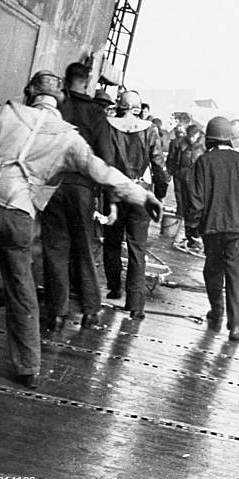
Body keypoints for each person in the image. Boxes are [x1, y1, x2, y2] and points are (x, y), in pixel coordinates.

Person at [0, 70, 162, 388]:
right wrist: (141, 194)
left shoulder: (4, 112)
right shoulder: (68, 136)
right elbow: (101, 170)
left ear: (29, 92)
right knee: (22, 291)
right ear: (58, 99)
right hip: (20, 215)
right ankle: (29, 366)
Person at [41, 62, 115, 332]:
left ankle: (57, 313)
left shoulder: (58, 108)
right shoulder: (97, 113)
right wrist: (109, 199)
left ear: (65, 80)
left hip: (53, 185)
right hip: (83, 189)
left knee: (55, 248)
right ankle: (91, 311)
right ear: (87, 82)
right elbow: (107, 158)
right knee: (84, 246)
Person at [186, 116, 239, 341]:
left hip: (212, 228)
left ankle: (217, 310)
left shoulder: (203, 162)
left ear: (209, 139)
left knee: (212, 270)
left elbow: (196, 200)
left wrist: (192, 227)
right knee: (235, 273)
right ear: (230, 139)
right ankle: (236, 326)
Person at [103, 90, 169, 320]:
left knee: (111, 242)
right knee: (137, 249)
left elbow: (106, 164)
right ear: (139, 108)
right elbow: (159, 166)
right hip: (141, 193)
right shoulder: (150, 129)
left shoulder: (109, 126)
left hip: (116, 191)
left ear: (119, 105)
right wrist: (158, 195)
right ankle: (135, 305)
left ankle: (114, 287)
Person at [172, 124, 206, 251]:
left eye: (193, 135)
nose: (191, 138)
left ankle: (195, 237)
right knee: (182, 206)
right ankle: (187, 236)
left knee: (195, 207)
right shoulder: (181, 143)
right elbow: (173, 159)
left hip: (196, 179)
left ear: (198, 135)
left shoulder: (204, 146)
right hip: (180, 176)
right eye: (189, 135)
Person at [166, 124, 187, 217]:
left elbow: (171, 157)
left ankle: (180, 210)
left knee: (178, 191)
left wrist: (169, 172)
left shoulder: (174, 142)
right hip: (188, 170)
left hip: (177, 170)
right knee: (187, 191)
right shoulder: (188, 141)